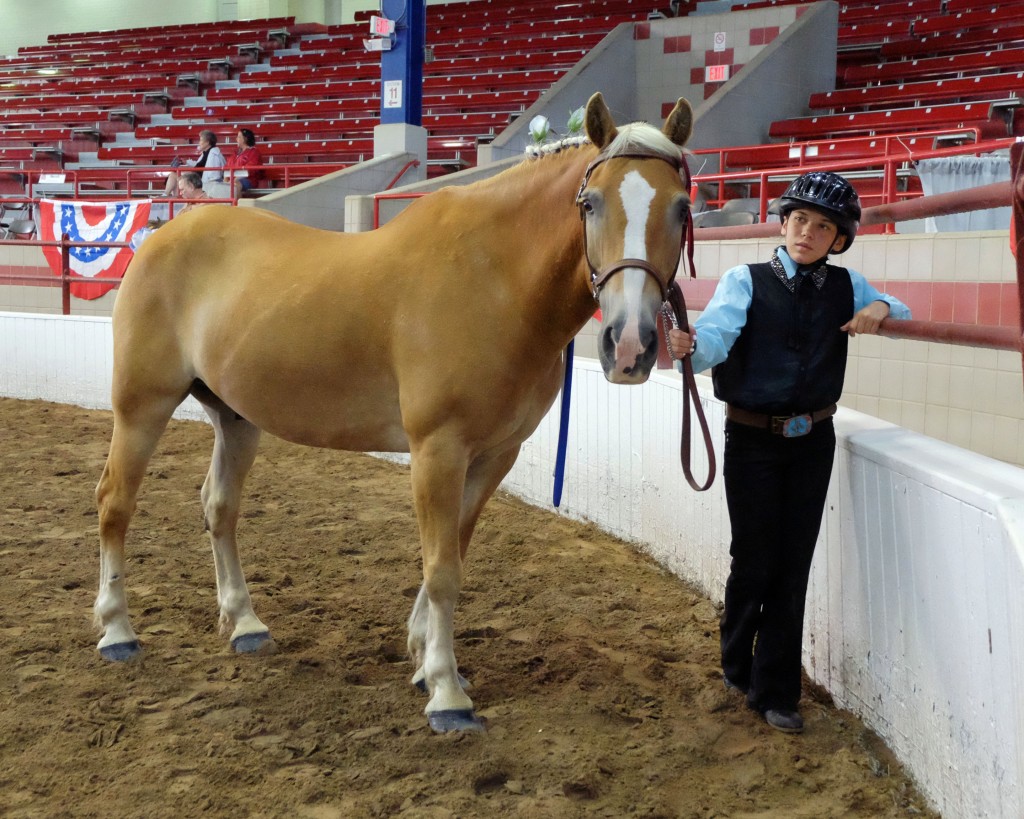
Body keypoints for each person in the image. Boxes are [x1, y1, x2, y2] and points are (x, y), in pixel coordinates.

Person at [668, 171, 911, 734]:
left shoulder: (848, 285)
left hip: (813, 441)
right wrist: (689, 346)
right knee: (754, 559)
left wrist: (883, 309)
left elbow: (893, 308)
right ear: (784, 223)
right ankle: (737, 662)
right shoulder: (744, 279)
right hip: (751, 438)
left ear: (838, 239)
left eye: (823, 226)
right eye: (800, 220)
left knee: (793, 563)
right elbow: (714, 340)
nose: (808, 232)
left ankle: (777, 689)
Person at [163, 129, 225, 196]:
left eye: (201, 140)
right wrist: (186, 162)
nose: (199, 142)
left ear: (207, 142)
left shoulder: (213, 155)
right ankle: (173, 197)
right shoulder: (206, 153)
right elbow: (199, 165)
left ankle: (165, 195)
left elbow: (214, 176)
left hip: (201, 182)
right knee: (176, 177)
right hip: (197, 179)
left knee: (173, 176)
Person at [226, 127, 264, 198]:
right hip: (232, 179)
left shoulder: (254, 152)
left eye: (239, 137)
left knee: (234, 186)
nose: (236, 139)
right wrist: (226, 179)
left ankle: (236, 207)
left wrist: (234, 180)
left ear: (245, 139)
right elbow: (227, 166)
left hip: (248, 180)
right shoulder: (235, 153)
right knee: (220, 186)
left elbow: (250, 170)